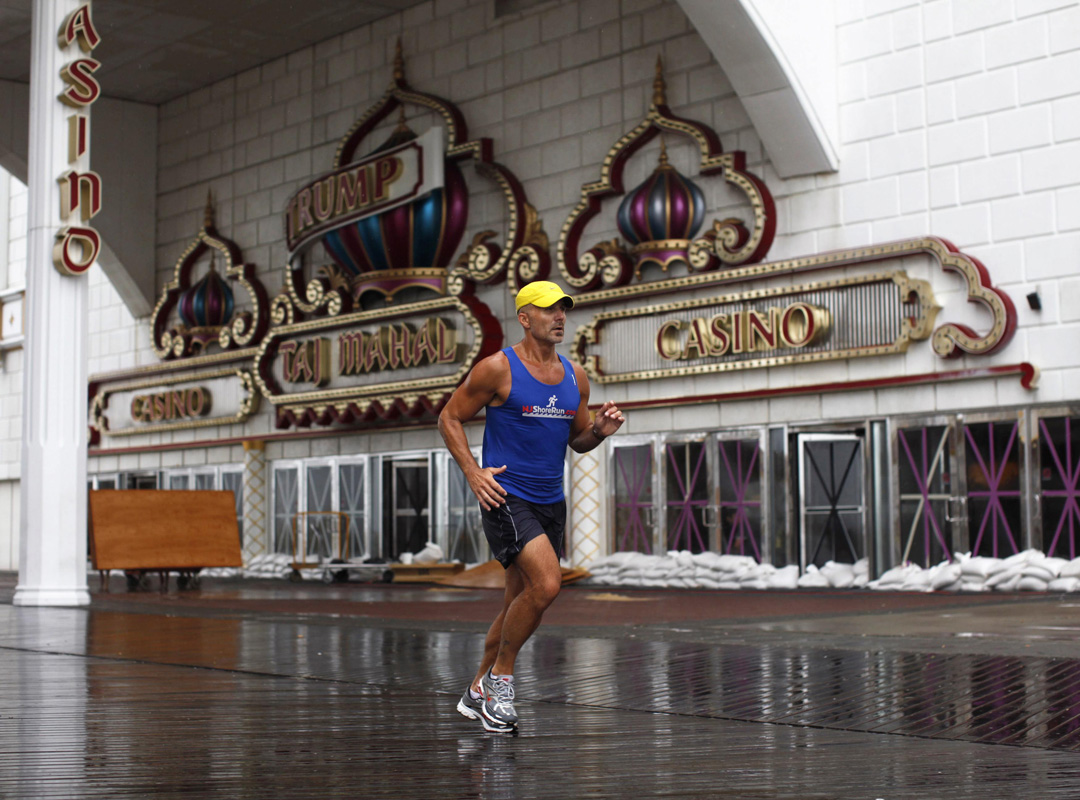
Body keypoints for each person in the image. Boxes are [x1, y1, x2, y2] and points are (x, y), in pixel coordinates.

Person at [438, 280, 625, 732]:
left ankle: (476, 688)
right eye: (548, 310)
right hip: (506, 495)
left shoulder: (574, 376)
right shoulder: (496, 369)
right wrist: (473, 471)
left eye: (563, 309)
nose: (559, 317)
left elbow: (577, 440)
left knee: (518, 602)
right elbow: (449, 417)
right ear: (525, 318)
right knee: (547, 584)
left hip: (549, 501)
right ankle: (501, 682)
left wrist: (598, 430)